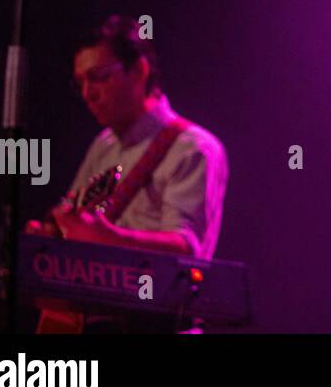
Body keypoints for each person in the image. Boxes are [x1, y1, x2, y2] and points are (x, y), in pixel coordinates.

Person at [29, 15, 228, 262]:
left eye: (99, 77)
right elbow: (74, 221)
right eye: (80, 82)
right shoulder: (103, 145)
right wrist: (51, 233)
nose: (87, 93)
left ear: (138, 71)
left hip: (156, 298)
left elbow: (186, 250)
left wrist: (107, 237)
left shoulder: (192, 148)